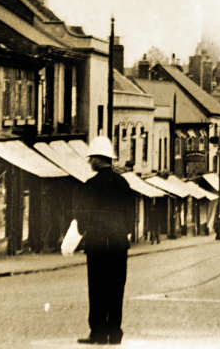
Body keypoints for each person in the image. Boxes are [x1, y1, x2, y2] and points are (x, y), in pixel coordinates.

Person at [75, 136, 135, 345]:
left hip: (98, 244)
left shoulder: (90, 185)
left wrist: (83, 231)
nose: (89, 162)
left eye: (91, 158)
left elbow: (82, 214)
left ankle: (99, 332)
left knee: (98, 287)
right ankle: (115, 332)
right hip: (119, 244)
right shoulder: (123, 183)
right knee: (116, 287)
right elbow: (131, 214)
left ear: (99, 159)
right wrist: (124, 232)